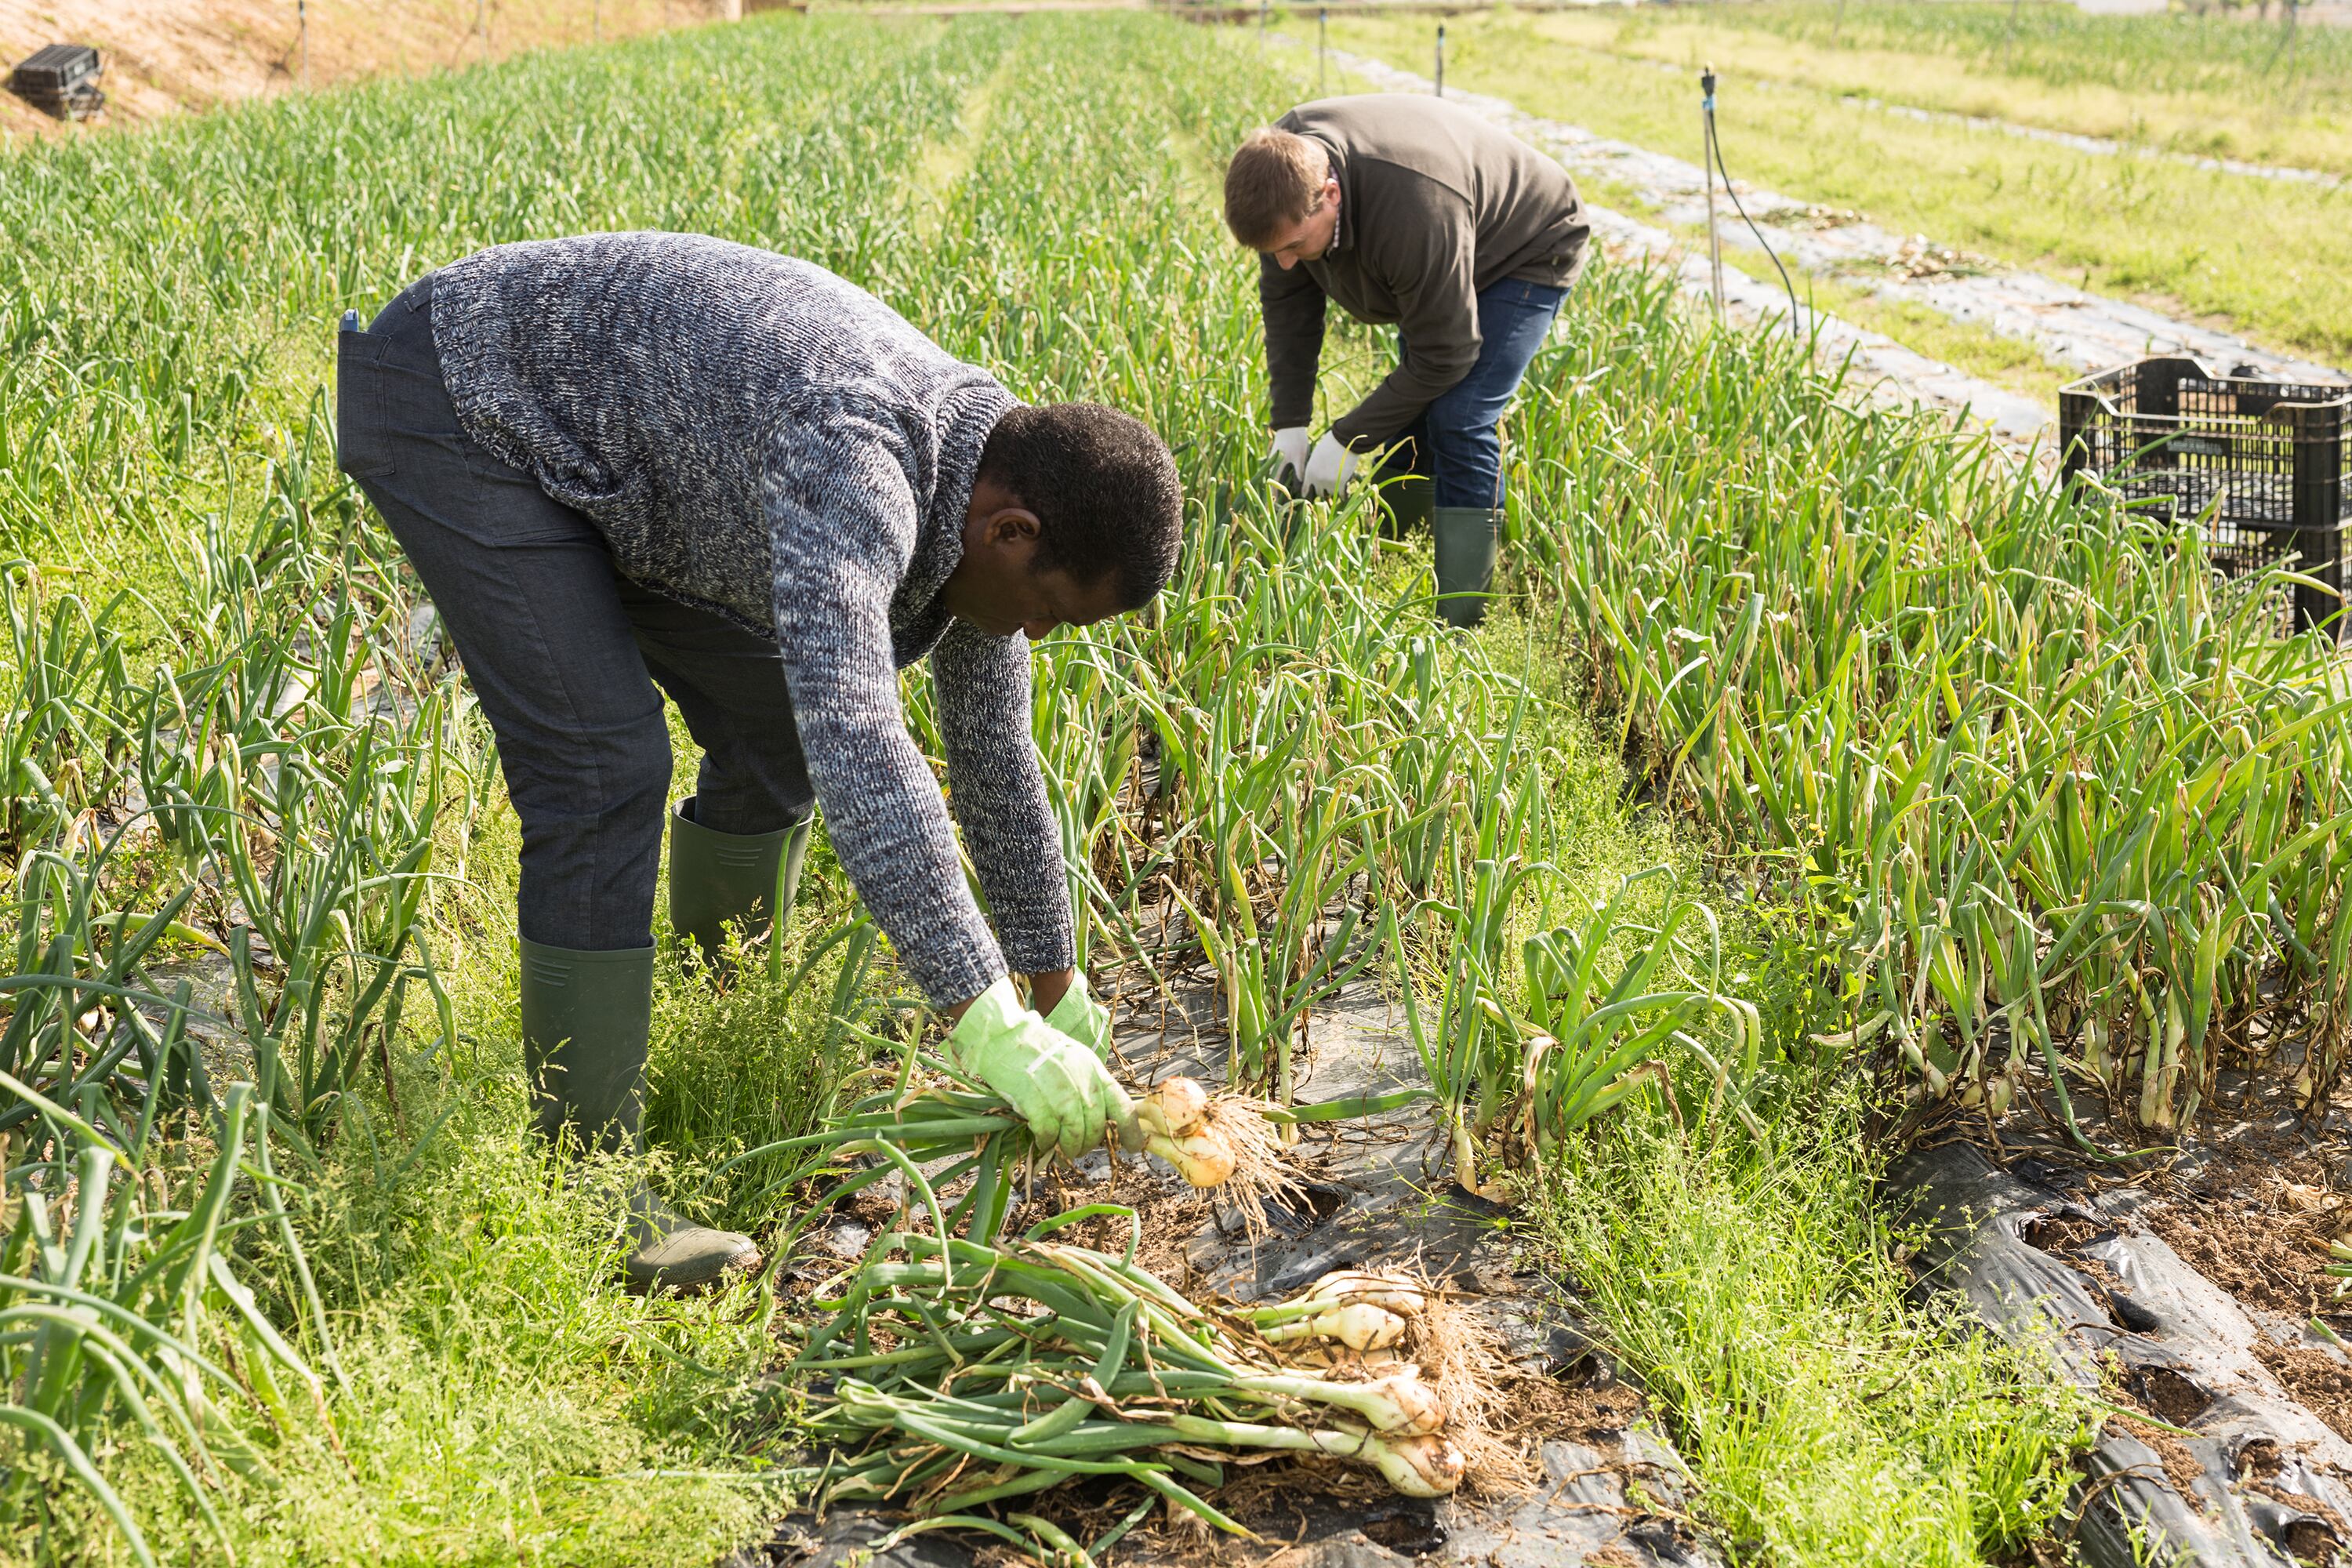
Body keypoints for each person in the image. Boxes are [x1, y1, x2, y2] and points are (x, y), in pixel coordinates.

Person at [336, 231, 1182, 1290]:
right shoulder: (861, 458)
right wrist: (985, 1013)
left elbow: (995, 758)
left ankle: (716, 1005)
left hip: (614, 463)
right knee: (603, 767)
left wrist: (1054, 984)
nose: (1040, 637)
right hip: (466, 406)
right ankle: (592, 1192)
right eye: (1052, 613)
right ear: (1012, 533)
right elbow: (859, 728)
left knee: (767, 719)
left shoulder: (993, 476)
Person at [1224, 97, 1589, 627]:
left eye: (1294, 246)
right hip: (1444, 242)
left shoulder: (1413, 207)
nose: (1283, 263)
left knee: (1460, 417)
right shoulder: (1278, 175)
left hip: (1526, 245)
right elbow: (1289, 309)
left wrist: (1349, 438)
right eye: (1272, 252)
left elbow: (1448, 350)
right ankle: (1397, 546)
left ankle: (1463, 618)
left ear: (1330, 196)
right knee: (1414, 406)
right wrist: (1291, 425)